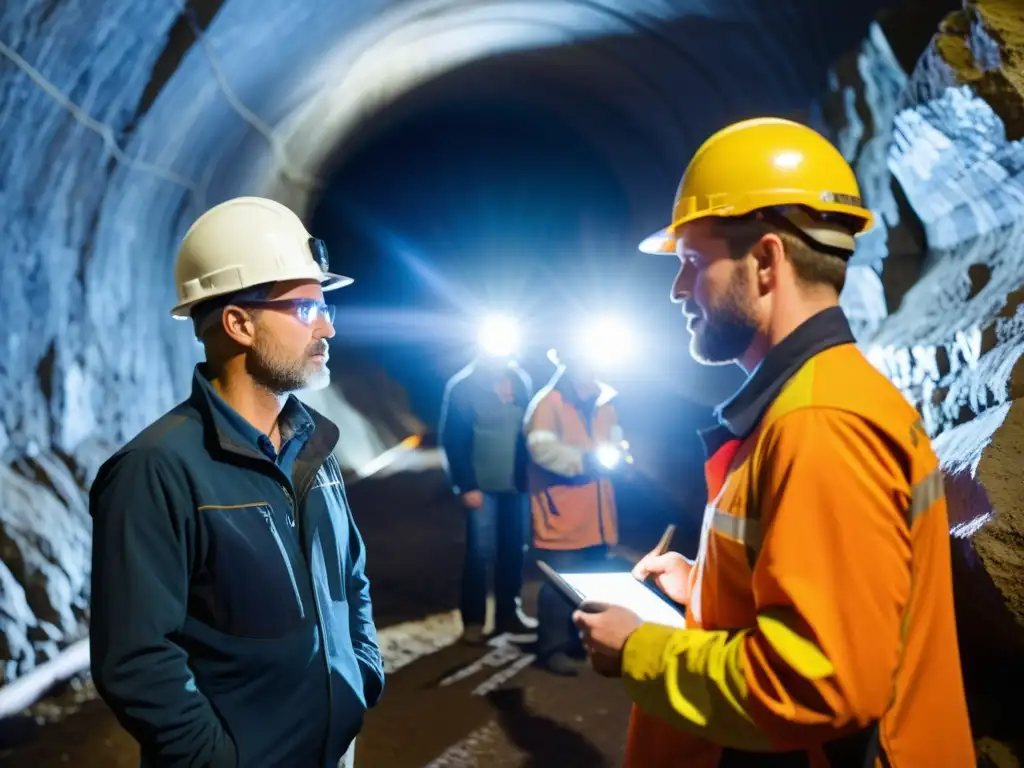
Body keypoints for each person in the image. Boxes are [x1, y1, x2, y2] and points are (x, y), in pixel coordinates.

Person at [573, 118, 976, 766]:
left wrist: (640, 648)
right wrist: (704, 586)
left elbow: (820, 682)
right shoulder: (817, 401)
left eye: (692, 263)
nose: (678, 289)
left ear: (765, 262)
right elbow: (832, 594)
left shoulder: (819, 423)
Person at [89, 196, 384, 768]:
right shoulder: (157, 469)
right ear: (238, 323)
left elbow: (351, 579)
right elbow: (138, 660)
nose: (328, 325)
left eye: (324, 306)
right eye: (304, 309)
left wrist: (360, 676)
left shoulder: (313, 446)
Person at [524, 344, 629, 676]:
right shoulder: (547, 403)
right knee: (558, 585)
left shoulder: (604, 401)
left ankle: (579, 642)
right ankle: (551, 648)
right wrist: (584, 462)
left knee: (591, 581)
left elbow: (615, 439)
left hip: (596, 513)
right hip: (561, 511)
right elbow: (541, 450)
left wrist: (620, 457)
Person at [438, 318, 537, 645]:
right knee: (480, 554)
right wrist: (465, 485)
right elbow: (452, 438)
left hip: (516, 485)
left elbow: (528, 431)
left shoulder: (520, 381)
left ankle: (509, 614)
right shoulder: (463, 386)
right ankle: (474, 621)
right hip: (481, 487)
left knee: (513, 551)